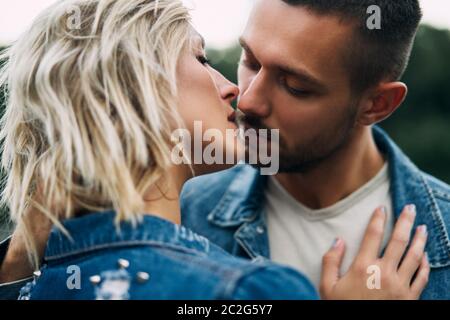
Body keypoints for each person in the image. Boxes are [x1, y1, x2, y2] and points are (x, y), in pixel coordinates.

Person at [0, 0, 429, 300]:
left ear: (378, 104)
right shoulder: (250, 290)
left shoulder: (33, 277)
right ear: (128, 88)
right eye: (206, 60)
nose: (240, 95)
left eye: (296, 85)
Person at [181, 0, 450, 299]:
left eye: (295, 86)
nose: (247, 101)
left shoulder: (444, 235)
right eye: (251, 61)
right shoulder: (186, 213)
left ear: (377, 104)